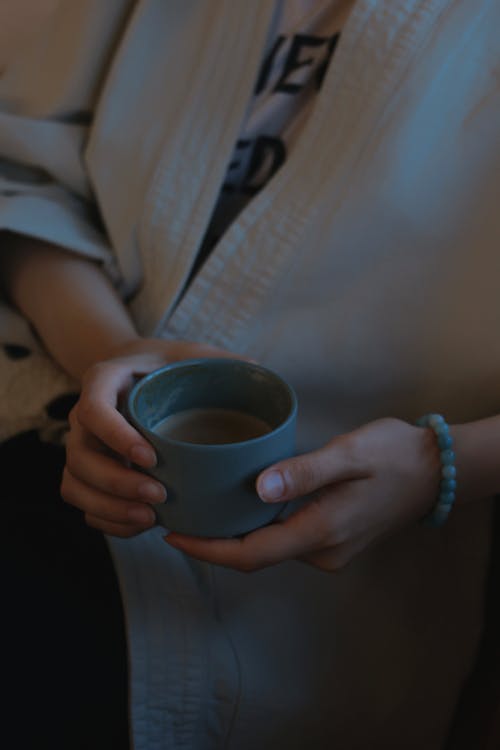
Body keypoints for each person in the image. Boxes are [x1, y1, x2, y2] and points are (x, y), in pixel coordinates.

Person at [1, 1, 499, 748]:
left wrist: (441, 464)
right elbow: (27, 180)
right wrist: (110, 349)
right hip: (51, 432)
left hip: (331, 591)